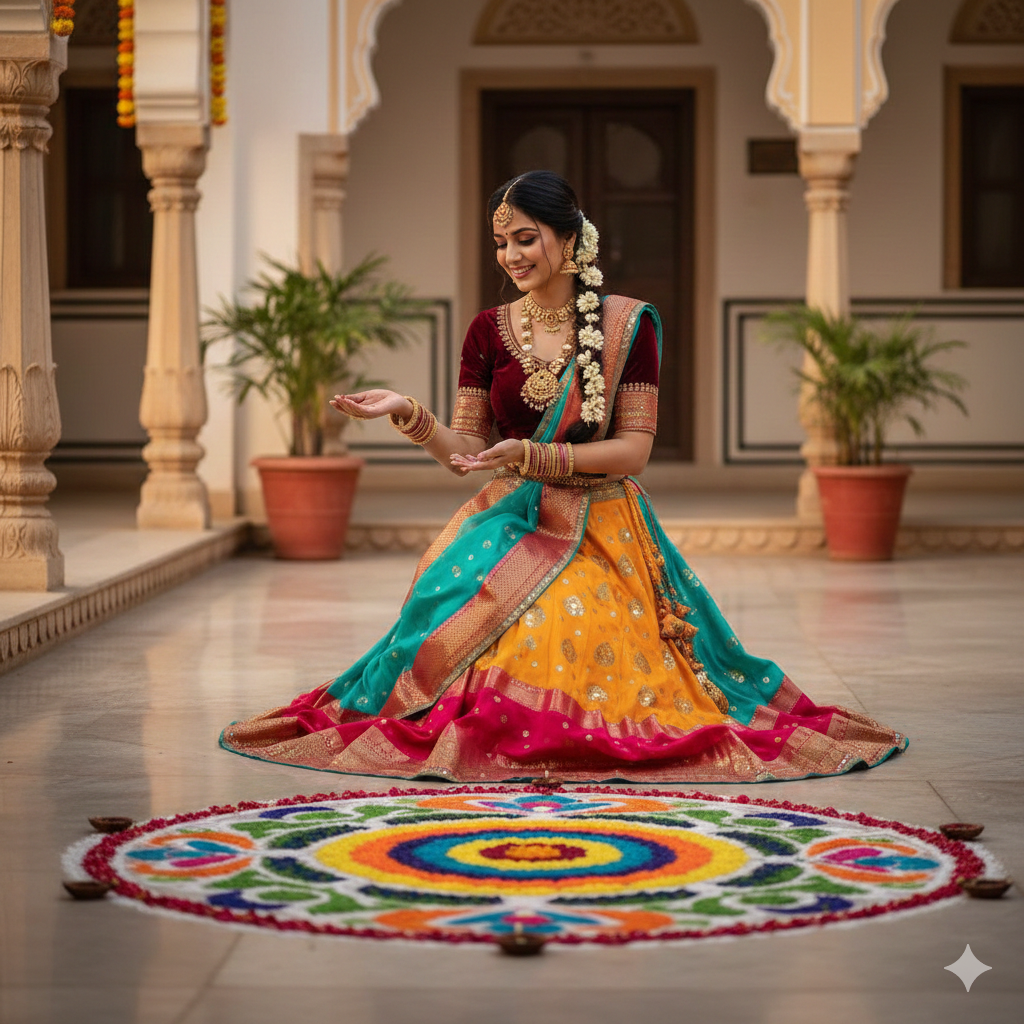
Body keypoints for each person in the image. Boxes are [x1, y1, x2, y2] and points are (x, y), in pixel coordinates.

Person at [221, 170, 907, 783]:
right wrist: (409, 413)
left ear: (570, 238)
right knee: (460, 644)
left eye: (526, 238)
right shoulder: (487, 331)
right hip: (509, 523)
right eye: (501, 243)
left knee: (575, 643)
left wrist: (533, 457)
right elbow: (469, 451)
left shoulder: (627, 325)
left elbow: (633, 452)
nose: (511, 256)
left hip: (601, 522)